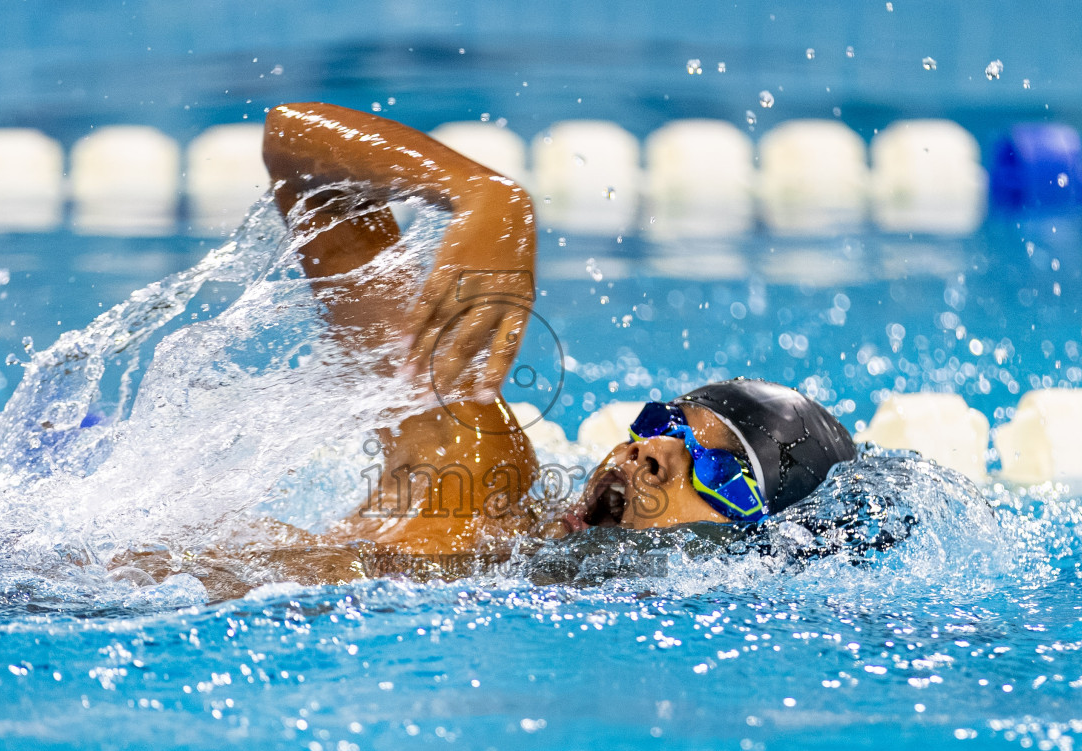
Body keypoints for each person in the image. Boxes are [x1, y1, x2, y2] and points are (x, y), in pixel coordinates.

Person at [114, 103, 864, 594]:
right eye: (662, 422)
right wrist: (484, 193)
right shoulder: (477, 474)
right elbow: (294, 147)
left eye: (722, 471)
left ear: (754, 547)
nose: (650, 454)